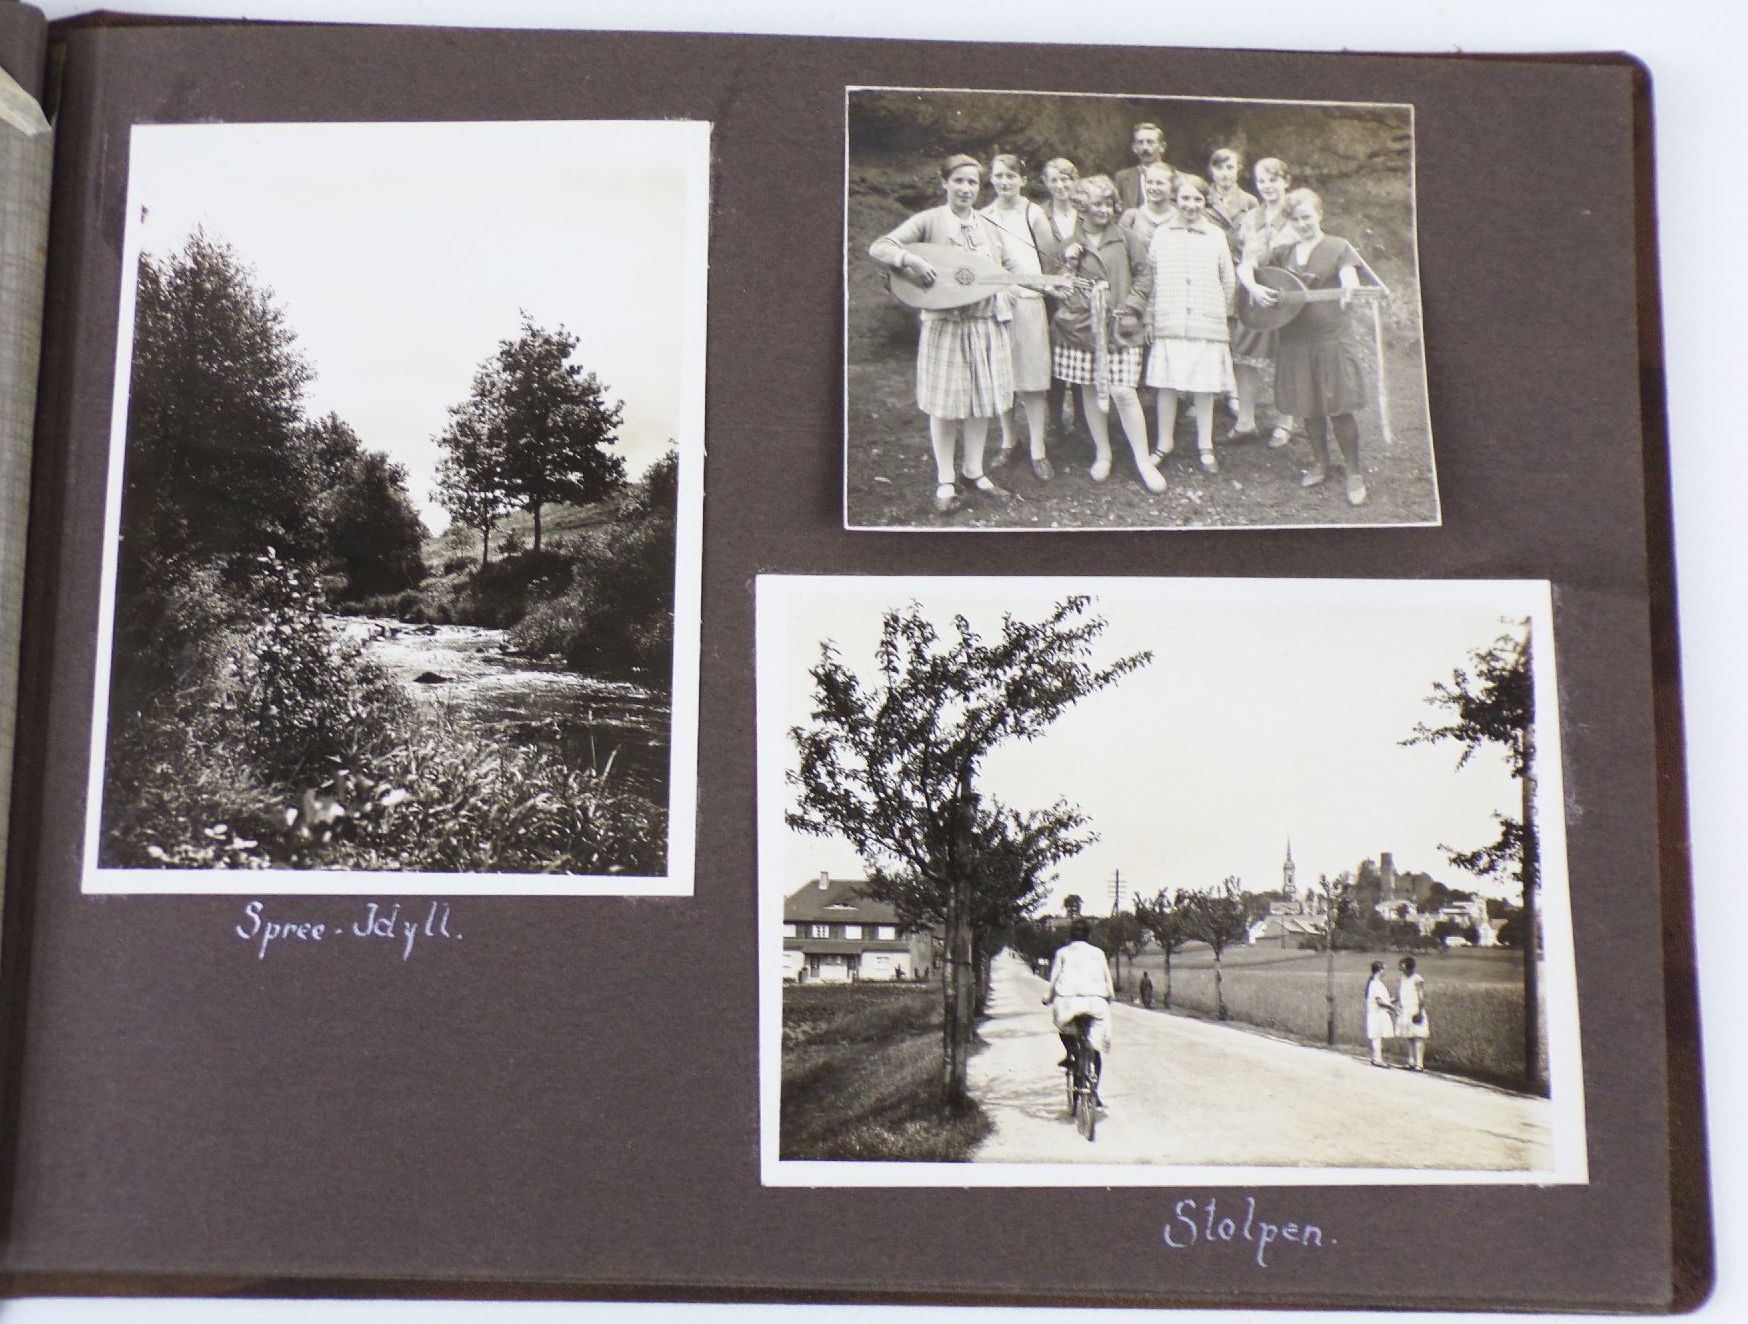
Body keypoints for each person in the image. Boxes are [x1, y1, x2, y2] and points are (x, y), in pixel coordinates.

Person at [868, 153, 1021, 515]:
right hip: (947, 327)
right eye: (959, 181)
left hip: (985, 325)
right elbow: (880, 246)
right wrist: (911, 261)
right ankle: (945, 478)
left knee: (982, 402)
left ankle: (974, 471)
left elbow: (1009, 266)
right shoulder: (930, 220)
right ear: (945, 183)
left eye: (972, 182)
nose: (966, 189)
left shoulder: (988, 225)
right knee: (945, 404)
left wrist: (1013, 289)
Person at [1052, 174, 1167, 493]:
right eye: (1095, 205)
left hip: (1120, 325)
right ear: (1081, 207)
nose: (1103, 210)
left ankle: (1142, 460)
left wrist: (1131, 306)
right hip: (1083, 329)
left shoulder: (1128, 238)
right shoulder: (1069, 245)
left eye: (1107, 203)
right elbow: (1061, 288)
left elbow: (1145, 277)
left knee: (1123, 392)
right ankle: (1103, 453)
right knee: (1089, 389)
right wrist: (1070, 267)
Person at [1258, 188, 1372, 505]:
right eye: (1296, 219)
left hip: (1330, 336)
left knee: (1338, 405)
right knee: (1307, 404)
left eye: (1307, 217)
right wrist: (1255, 289)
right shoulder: (1283, 252)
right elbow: (1254, 270)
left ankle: (1353, 472)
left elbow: (1350, 278)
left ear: (1319, 215)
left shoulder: (1339, 247)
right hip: (1295, 339)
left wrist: (1349, 290)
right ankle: (1321, 462)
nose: (1302, 223)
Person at [1144, 172, 1236, 475]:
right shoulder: (1162, 234)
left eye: (1197, 199)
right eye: (1185, 198)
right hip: (1170, 320)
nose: (1191, 204)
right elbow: (1152, 278)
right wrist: (1151, 315)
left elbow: (1228, 280)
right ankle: (1163, 443)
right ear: (1175, 199)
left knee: (1204, 387)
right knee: (1167, 386)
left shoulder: (1216, 236)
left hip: (1205, 321)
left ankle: (1205, 445)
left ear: (1204, 201)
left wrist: (1222, 317)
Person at [979, 154, 1057, 480]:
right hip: (997, 306)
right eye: (999, 175)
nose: (1005, 181)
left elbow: (1049, 260)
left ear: (1023, 180)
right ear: (992, 179)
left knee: (1033, 382)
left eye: (1011, 175)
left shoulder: (1033, 213)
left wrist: (1043, 291)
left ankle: (1038, 450)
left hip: (1029, 302)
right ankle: (1010, 442)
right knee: (1003, 379)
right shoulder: (982, 216)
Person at [1232, 157, 1299, 444]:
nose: (1267, 186)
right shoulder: (1250, 218)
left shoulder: (1298, 216)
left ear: (1286, 181)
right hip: (1254, 294)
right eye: (1261, 181)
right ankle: (1245, 421)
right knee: (1243, 355)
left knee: (1288, 357)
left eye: (1273, 179)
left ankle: (1286, 421)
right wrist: (1253, 288)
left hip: (1289, 296)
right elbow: (1242, 256)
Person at [1042, 917, 1115, 1099]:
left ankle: (1071, 1053)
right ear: (1088, 935)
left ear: (1071, 935)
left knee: (1064, 1028)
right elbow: (1107, 978)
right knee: (1094, 1048)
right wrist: (1110, 996)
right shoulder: (1098, 953)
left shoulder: (1062, 953)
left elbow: (1054, 979)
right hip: (1095, 1002)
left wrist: (1048, 997)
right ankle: (1093, 1091)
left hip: (1068, 1003)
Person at [1039, 157, 1082, 449]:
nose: (1060, 185)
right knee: (1053, 361)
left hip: (1082, 296)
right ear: (1045, 183)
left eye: (1066, 179)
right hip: (1049, 296)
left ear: (1075, 181)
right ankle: (1054, 420)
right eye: (1054, 180)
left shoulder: (1085, 212)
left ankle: (1082, 422)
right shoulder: (1038, 215)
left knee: (1081, 356)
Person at [1118, 161, 1177, 249]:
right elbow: (1120, 250)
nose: (1153, 188)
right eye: (1149, 182)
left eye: (1159, 183)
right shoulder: (1131, 217)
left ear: (1172, 189)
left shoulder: (1180, 217)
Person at [1114, 121, 1169, 212]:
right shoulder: (1122, 178)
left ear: (1162, 147)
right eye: (1140, 142)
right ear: (1134, 148)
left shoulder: (1175, 177)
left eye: (1150, 142)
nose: (1145, 147)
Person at [1396, 956, 1430, 1071]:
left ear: (1408, 965)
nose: (1400, 967)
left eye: (1403, 965)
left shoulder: (1417, 979)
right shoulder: (1401, 979)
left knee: (1418, 1037)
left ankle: (1419, 1064)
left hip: (1415, 1010)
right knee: (1409, 1036)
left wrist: (1419, 1013)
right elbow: (1398, 996)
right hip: (1405, 1010)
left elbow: (1421, 998)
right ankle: (1411, 1062)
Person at [1364, 960, 1397, 1067]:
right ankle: (1377, 1059)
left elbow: (1383, 1000)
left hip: (1376, 1013)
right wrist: (1392, 1008)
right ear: (1380, 970)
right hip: (1377, 1013)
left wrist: (1396, 999)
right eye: (1383, 969)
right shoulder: (1376, 984)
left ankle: (1376, 1058)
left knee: (1377, 1037)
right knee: (1377, 1036)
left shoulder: (1374, 983)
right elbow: (1380, 1002)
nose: (1384, 971)